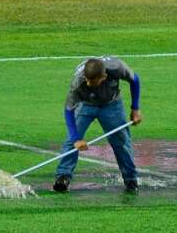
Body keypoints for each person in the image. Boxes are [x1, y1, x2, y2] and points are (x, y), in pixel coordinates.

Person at [54, 57, 143, 193]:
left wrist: (135, 108)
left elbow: (134, 80)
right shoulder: (78, 81)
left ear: (104, 76)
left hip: (112, 104)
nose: (88, 84)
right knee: (70, 142)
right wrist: (76, 138)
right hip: (85, 104)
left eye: (93, 81)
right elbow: (68, 110)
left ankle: (131, 179)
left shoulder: (116, 67)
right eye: (87, 79)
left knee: (122, 141)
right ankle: (63, 177)